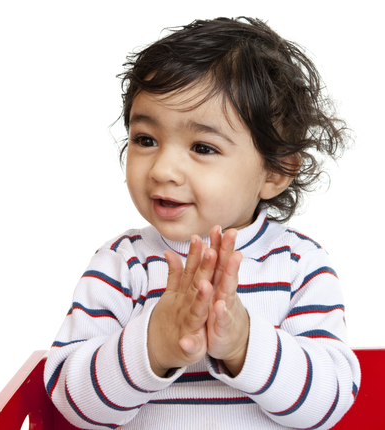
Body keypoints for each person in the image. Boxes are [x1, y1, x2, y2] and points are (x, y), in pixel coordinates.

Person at [43, 17, 360, 429]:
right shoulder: (122, 264)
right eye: (146, 140)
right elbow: (70, 400)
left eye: (202, 147)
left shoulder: (300, 264)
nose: (163, 169)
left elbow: (329, 402)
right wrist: (153, 346)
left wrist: (245, 345)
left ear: (275, 172)